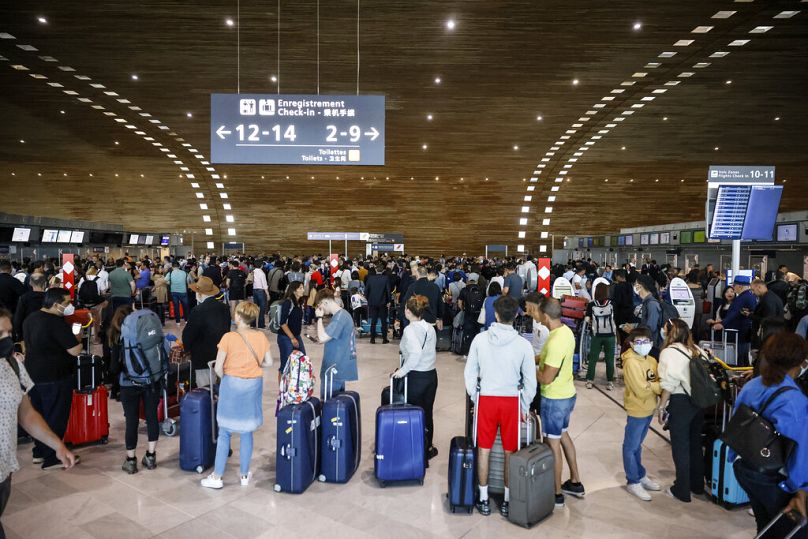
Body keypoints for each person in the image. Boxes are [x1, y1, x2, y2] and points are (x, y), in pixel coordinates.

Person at [0, 308, 77, 537]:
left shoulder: (12, 365)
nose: (6, 340)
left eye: (8, 332)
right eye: (0, 333)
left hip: (4, 470)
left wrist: (57, 445)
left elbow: (26, 413)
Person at [464, 295, 537, 517]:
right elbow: (530, 382)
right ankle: (506, 500)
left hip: (486, 399)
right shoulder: (524, 345)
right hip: (511, 402)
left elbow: (470, 373)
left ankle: (484, 499)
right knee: (509, 452)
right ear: (516, 316)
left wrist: (475, 398)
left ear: (495, 314)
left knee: (483, 450)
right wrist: (524, 406)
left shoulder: (480, 340)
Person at [731, 332, 808, 537]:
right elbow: (799, 450)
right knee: (792, 531)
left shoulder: (753, 385)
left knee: (765, 523)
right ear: (800, 362)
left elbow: (736, 422)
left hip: (745, 465)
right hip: (772, 476)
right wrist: (800, 488)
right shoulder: (794, 400)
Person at [201, 302, 273, 489]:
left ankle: (217, 477)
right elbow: (269, 362)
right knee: (246, 431)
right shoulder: (261, 337)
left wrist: (230, 376)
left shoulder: (228, 337)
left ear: (239, 317)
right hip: (253, 385)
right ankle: (244, 475)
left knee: (225, 432)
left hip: (232, 385)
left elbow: (218, 368)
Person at [22, 288, 83, 469]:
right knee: (55, 416)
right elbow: (75, 350)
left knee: (39, 416)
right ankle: (52, 457)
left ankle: (39, 452)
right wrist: (78, 338)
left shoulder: (30, 319)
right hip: (55, 376)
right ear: (55, 304)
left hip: (33, 375)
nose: (69, 306)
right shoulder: (56, 323)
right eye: (66, 303)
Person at [536, 297, 586, 508]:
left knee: (552, 445)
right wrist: (531, 358)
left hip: (554, 398)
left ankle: (556, 493)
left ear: (545, 316)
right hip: (567, 394)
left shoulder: (556, 341)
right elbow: (548, 359)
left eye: (538, 313)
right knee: (563, 435)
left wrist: (530, 371)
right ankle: (575, 481)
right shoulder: (564, 332)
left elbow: (547, 377)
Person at [656, 318, 706, 502]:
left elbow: (669, 383)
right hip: (699, 402)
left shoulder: (669, 352)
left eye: (664, 329)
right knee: (694, 444)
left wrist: (661, 407)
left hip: (681, 402)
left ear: (670, 332)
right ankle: (697, 485)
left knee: (680, 446)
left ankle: (682, 489)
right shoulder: (697, 349)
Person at [111, 304, 164, 474]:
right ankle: (151, 456)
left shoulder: (119, 339)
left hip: (128, 384)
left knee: (131, 421)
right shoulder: (144, 331)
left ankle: (131, 460)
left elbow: (113, 368)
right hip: (152, 380)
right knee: (151, 417)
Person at [393, 295, 439, 466]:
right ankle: (427, 448)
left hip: (416, 377)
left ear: (408, 311)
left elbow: (415, 355)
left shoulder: (410, 330)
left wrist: (401, 372)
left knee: (414, 413)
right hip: (431, 375)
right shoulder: (429, 328)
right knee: (427, 413)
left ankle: (415, 450)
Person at [620, 326, 663, 501]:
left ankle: (640, 474)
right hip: (637, 408)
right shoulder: (630, 362)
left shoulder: (652, 360)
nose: (643, 345)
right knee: (630, 447)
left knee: (638, 445)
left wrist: (653, 387)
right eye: (639, 342)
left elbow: (658, 381)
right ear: (631, 343)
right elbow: (641, 390)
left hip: (649, 408)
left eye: (647, 342)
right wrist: (656, 387)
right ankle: (633, 480)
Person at [183, 277, 231, 388]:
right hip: (221, 354)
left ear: (199, 294)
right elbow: (227, 329)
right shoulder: (224, 307)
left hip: (202, 357)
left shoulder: (198, 310)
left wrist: (187, 349)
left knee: (206, 390)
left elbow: (188, 335)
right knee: (220, 388)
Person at [315, 288, 358, 397]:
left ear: (325, 302)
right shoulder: (342, 315)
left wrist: (319, 317)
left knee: (328, 405)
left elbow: (322, 337)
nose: (321, 309)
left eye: (320, 306)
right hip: (338, 368)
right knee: (336, 407)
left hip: (333, 368)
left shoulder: (340, 318)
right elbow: (329, 337)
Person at [712, 275, 756, 365]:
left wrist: (722, 324)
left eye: (734, 285)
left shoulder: (742, 298)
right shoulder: (749, 296)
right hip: (744, 332)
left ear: (740, 286)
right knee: (743, 356)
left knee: (737, 357)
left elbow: (734, 313)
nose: (733, 288)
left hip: (739, 332)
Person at [585, 283, 617, 390]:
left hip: (596, 335)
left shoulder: (591, 304)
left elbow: (587, 320)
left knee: (593, 358)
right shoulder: (612, 303)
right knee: (609, 359)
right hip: (610, 335)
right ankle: (610, 382)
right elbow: (615, 319)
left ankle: (590, 380)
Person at [399, 266, 444, 332]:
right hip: (431, 321)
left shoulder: (413, 286)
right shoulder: (435, 287)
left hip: (417, 320)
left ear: (417, 274)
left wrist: (399, 317)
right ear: (427, 274)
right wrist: (439, 318)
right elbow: (440, 304)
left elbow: (405, 302)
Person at [278, 281, 307, 381]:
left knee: (302, 359)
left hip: (296, 336)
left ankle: (294, 386)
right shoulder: (288, 302)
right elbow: (282, 323)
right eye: (300, 288)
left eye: (302, 288)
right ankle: (282, 391)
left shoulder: (299, 303)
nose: (303, 290)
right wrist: (292, 338)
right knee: (285, 364)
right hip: (286, 337)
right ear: (294, 290)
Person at [750, 279, 785, 349]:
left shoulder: (768, 299)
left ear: (759, 287)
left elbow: (769, 319)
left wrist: (751, 316)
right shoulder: (770, 296)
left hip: (770, 336)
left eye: (753, 290)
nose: (752, 293)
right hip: (774, 334)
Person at [13, 272, 46, 341]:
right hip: (47, 333)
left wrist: (19, 334)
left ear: (30, 283)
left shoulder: (24, 298)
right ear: (45, 283)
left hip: (29, 332)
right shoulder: (50, 297)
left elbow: (18, 319)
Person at [457, 273, 483, 356]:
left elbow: (460, 303)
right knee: (478, 332)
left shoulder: (464, 290)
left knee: (468, 332)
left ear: (468, 280)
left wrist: (463, 310)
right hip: (479, 315)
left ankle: (466, 351)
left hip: (468, 314)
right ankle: (478, 351)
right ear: (477, 280)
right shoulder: (482, 289)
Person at [364, 267, 391, 344]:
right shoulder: (386, 278)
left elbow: (366, 291)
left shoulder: (370, 278)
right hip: (383, 302)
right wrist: (389, 301)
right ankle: (384, 339)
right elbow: (388, 290)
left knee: (373, 321)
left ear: (376, 270)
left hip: (372, 302)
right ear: (383, 271)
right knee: (383, 321)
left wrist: (368, 299)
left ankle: (372, 339)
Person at [252, 263, 269, 329]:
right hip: (261, 291)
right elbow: (264, 285)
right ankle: (261, 324)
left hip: (254, 290)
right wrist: (267, 294)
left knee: (254, 308)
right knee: (262, 308)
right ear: (261, 265)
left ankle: (252, 324)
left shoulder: (253, 272)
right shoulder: (262, 273)